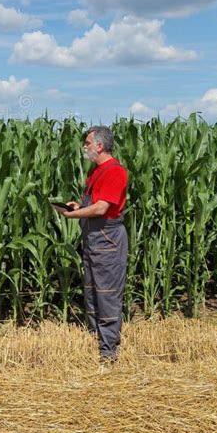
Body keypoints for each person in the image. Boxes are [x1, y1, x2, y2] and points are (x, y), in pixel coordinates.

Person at [54, 126, 128, 362]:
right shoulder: (95, 171)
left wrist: (74, 216)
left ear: (99, 146)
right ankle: (94, 339)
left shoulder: (114, 171)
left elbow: (102, 208)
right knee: (92, 291)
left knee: (107, 293)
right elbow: (93, 202)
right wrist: (78, 206)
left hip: (107, 238)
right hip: (93, 237)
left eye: (87, 143)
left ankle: (109, 352)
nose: (84, 147)